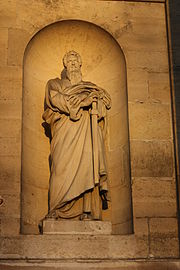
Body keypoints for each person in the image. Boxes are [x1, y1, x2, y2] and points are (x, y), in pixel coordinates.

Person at [43, 50, 111, 220]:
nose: (73, 63)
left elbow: (102, 109)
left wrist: (96, 99)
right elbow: (55, 99)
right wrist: (83, 101)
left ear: (80, 65)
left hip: (86, 134)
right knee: (60, 169)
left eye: (75, 61)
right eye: (69, 61)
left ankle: (86, 211)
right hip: (64, 133)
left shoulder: (90, 87)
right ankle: (56, 208)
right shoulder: (54, 84)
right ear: (65, 65)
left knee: (87, 167)